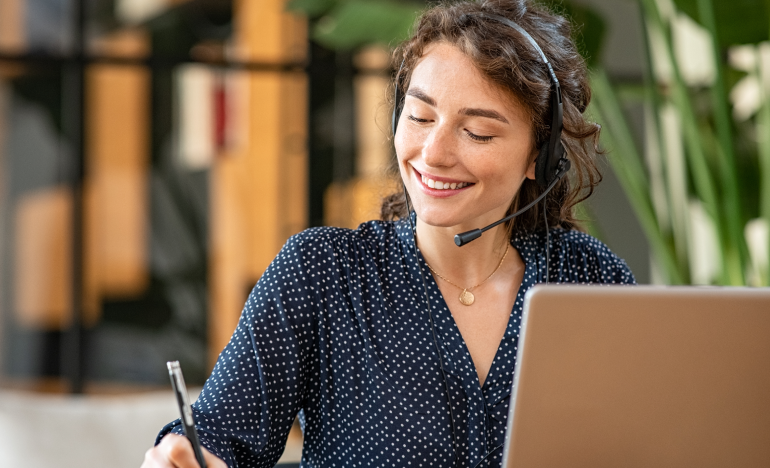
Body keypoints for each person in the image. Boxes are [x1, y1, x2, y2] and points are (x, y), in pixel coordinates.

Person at [142, 0, 635, 466]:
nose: (433, 152)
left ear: (539, 156)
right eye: (419, 117)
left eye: (478, 132)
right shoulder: (323, 273)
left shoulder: (591, 279)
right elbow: (216, 439)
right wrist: (179, 454)